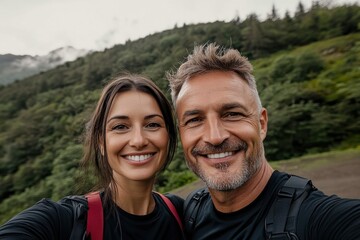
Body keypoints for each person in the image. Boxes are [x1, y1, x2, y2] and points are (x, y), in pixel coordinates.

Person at [167, 43, 360, 239]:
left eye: (232, 114)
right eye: (194, 120)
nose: (215, 137)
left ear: (262, 124)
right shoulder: (191, 211)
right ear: (180, 133)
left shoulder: (318, 218)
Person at [0, 74, 185, 239]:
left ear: (168, 135)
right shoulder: (64, 220)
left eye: (152, 124)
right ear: (101, 143)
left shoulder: (182, 213)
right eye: (120, 127)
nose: (138, 140)